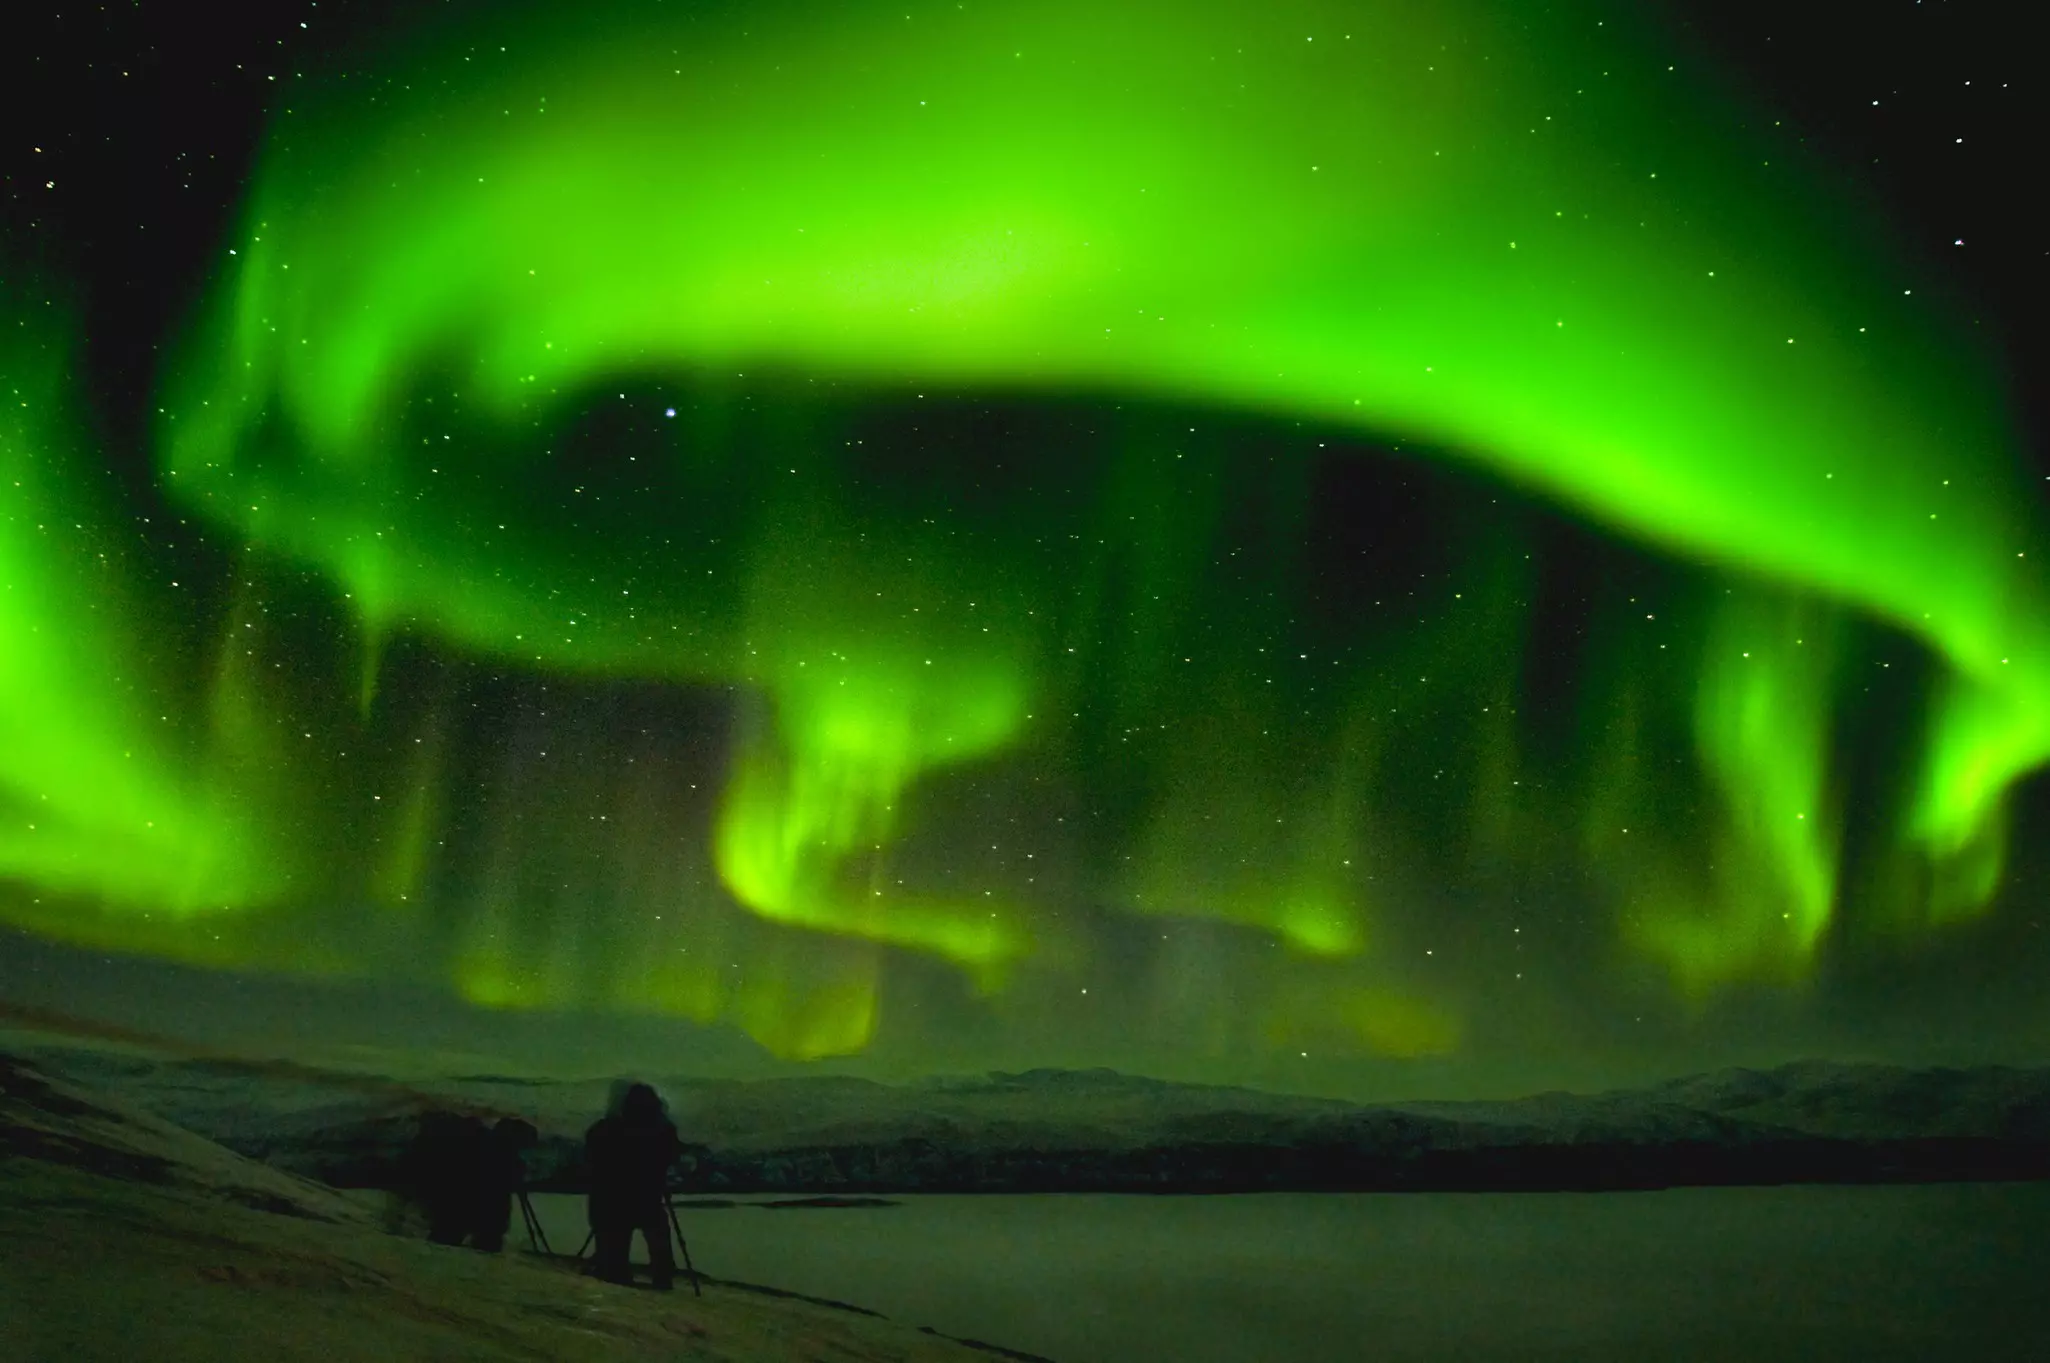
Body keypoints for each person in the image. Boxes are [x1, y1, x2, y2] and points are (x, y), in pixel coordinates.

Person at [585, 1081, 680, 1288]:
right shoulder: (661, 1128)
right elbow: (671, 1153)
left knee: (615, 1233)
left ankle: (614, 1271)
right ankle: (662, 1276)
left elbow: (593, 1152)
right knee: (657, 1235)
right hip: (648, 1192)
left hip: (616, 1194)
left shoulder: (610, 1127)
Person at [470, 1117, 538, 1253]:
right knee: (491, 1231)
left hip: (488, 1203)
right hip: (493, 1204)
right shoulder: (501, 1153)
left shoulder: (491, 1146)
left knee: (489, 1230)